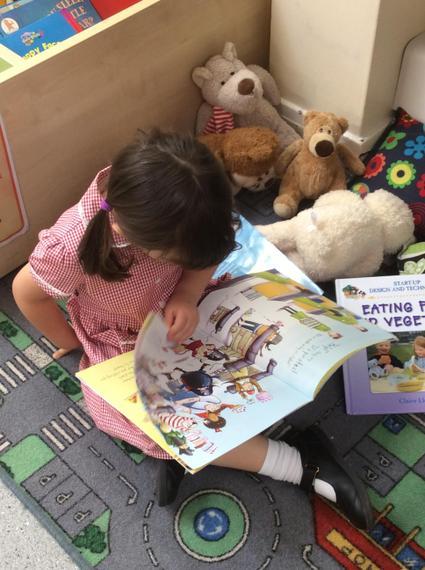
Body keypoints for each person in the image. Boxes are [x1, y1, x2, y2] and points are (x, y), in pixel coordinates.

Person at [12, 130, 373, 530]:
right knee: (139, 416)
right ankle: (301, 464)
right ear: (130, 237)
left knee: (263, 346)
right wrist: (73, 342)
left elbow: (209, 255)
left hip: (191, 305)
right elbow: (26, 294)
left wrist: (186, 292)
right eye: (179, 256)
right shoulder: (72, 247)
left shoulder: (183, 200)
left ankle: (188, 454)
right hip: (126, 337)